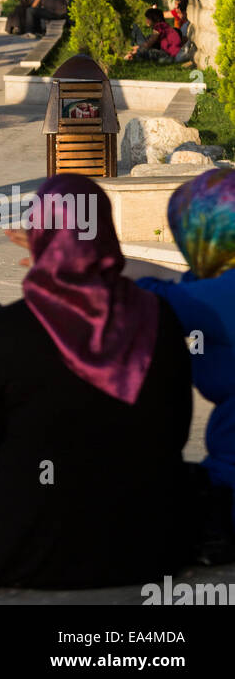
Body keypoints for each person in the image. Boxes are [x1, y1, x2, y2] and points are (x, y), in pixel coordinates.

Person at [0, 175, 194, 600]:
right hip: (147, 541)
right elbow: (175, 429)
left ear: (40, 234)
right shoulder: (158, 317)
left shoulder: (4, 331)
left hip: (32, 542)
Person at [131, 169, 235, 529]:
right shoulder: (218, 290)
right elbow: (171, 280)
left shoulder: (220, 297)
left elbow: (144, 297)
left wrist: (69, 262)